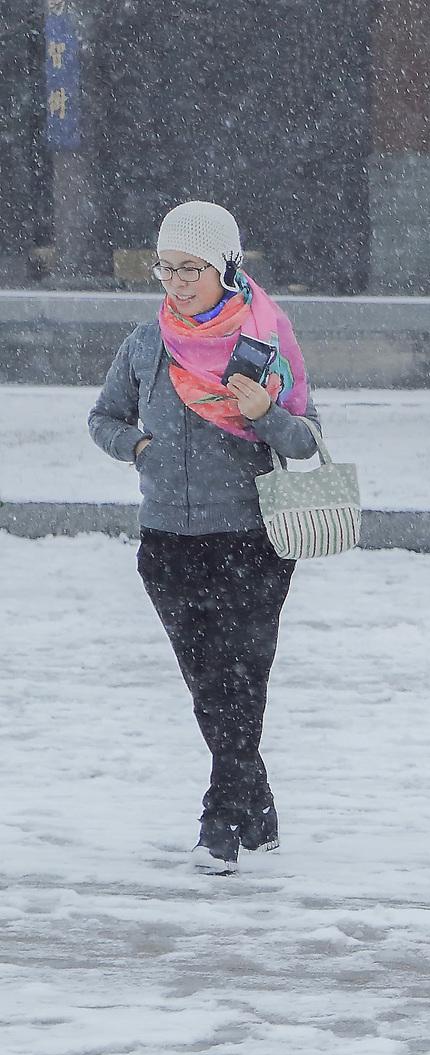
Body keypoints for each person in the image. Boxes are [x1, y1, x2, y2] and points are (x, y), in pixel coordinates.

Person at [89, 200, 320, 874]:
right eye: (166, 268)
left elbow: (306, 439)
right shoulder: (145, 343)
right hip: (167, 544)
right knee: (208, 687)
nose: (178, 282)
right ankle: (258, 803)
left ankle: (220, 819)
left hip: (252, 540)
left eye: (191, 268)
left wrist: (267, 413)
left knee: (240, 683)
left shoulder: (265, 340)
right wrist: (137, 446)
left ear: (226, 266)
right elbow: (103, 418)